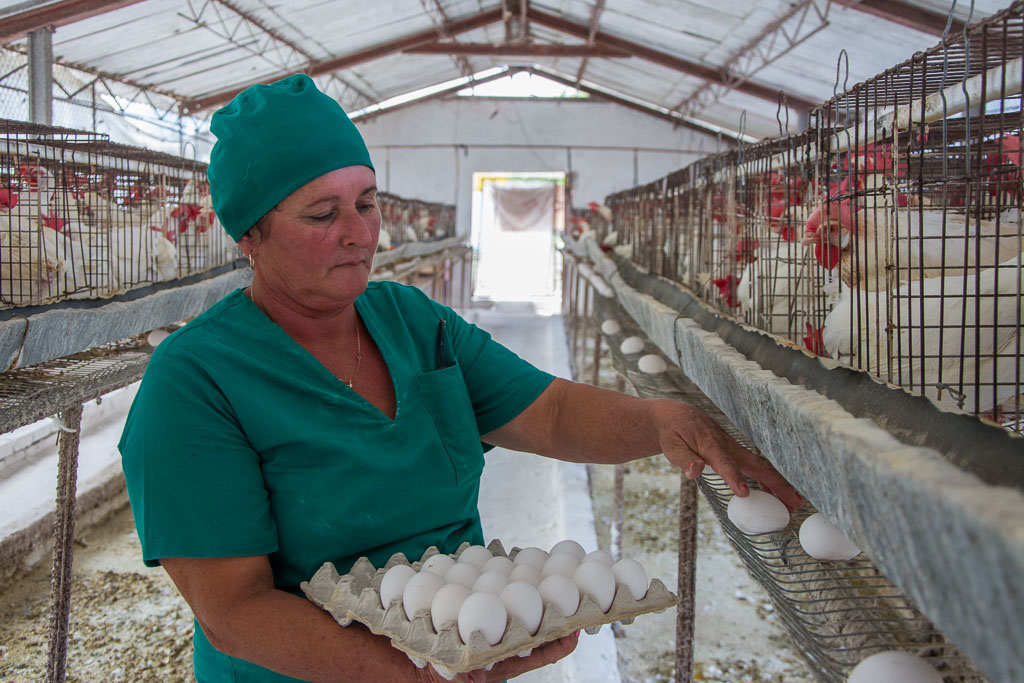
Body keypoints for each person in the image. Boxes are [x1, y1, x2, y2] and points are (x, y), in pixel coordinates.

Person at [119, 73, 802, 683]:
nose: (360, 233)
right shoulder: (196, 383)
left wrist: (660, 421)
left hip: (452, 655)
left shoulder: (413, 321)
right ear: (250, 235)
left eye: (366, 201)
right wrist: (412, 677)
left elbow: (554, 412)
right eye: (323, 214)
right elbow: (235, 610)